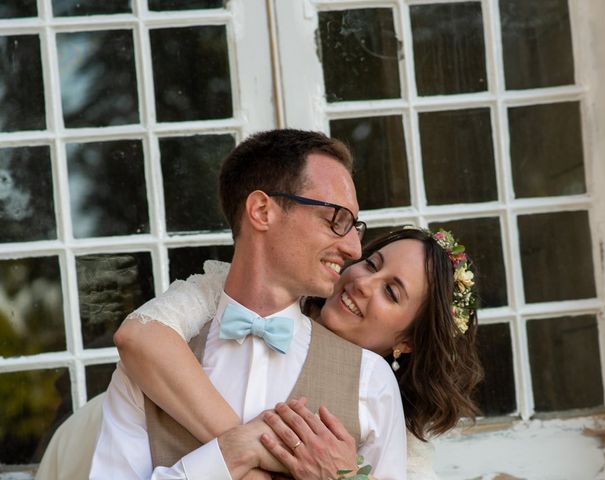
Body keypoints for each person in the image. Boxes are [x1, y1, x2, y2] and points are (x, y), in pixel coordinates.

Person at [88, 129, 408, 480]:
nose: (354, 249)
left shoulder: (370, 382)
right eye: (336, 220)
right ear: (261, 210)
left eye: (353, 227)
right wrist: (231, 453)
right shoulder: (144, 374)